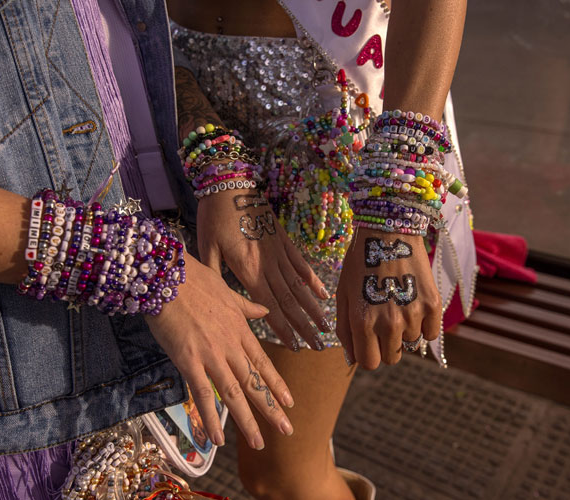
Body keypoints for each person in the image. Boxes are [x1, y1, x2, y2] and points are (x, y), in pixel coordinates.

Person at [0, 0, 301, 497]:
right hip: (9, 388)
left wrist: (215, 159)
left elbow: (112, 41)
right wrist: (138, 267)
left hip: (158, 335)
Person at [168, 1, 474, 499]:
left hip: (318, 148)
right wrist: (204, 140)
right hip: (175, 100)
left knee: (283, 475)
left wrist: (392, 208)